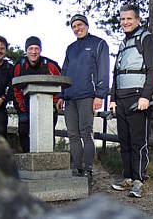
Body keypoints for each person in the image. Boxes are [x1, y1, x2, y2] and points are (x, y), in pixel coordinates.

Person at [109, 4, 153, 198]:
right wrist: (112, 99)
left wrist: (146, 96)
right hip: (121, 98)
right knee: (126, 140)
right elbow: (116, 73)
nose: (125, 22)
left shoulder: (146, 39)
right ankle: (128, 177)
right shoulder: (124, 43)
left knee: (139, 141)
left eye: (129, 19)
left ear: (138, 20)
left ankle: (139, 180)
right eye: (122, 19)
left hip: (138, 96)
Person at [56, 14, 110, 185]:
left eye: (80, 25)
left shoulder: (99, 44)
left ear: (86, 25)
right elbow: (64, 72)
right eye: (74, 26)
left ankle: (88, 170)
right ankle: (77, 168)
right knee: (72, 134)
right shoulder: (70, 48)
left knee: (86, 133)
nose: (77, 28)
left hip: (88, 95)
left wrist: (99, 95)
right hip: (70, 97)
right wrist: (61, 95)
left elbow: (103, 70)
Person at [13, 36, 61, 153]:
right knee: (23, 132)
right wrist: (21, 109)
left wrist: (55, 103)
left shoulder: (50, 65)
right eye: (30, 48)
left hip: (48, 105)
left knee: (48, 134)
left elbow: (61, 84)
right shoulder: (20, 65)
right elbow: (14, 89)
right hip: (25, 106)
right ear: (26, 50)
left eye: (36, 48)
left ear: (40, 50)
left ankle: (48, 160)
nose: (34, 52)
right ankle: (28, 157)